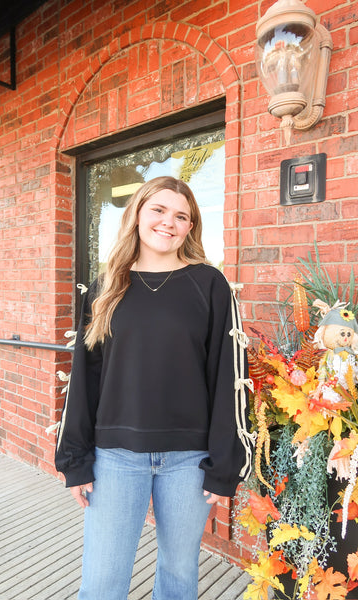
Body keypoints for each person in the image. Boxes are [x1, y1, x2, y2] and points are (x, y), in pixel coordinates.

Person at [55, 176, 254, 600]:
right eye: (159, 210)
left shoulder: (210, 285)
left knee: (179, 579)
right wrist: (75, 459)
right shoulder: (104, 287)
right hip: (114, 458)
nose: (169, 222)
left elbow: (229, 378)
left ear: (190, 226)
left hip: (190, 462)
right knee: (102, 584)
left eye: (181, 216)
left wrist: (225, 466)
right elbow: (84, 380)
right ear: (138, 215)